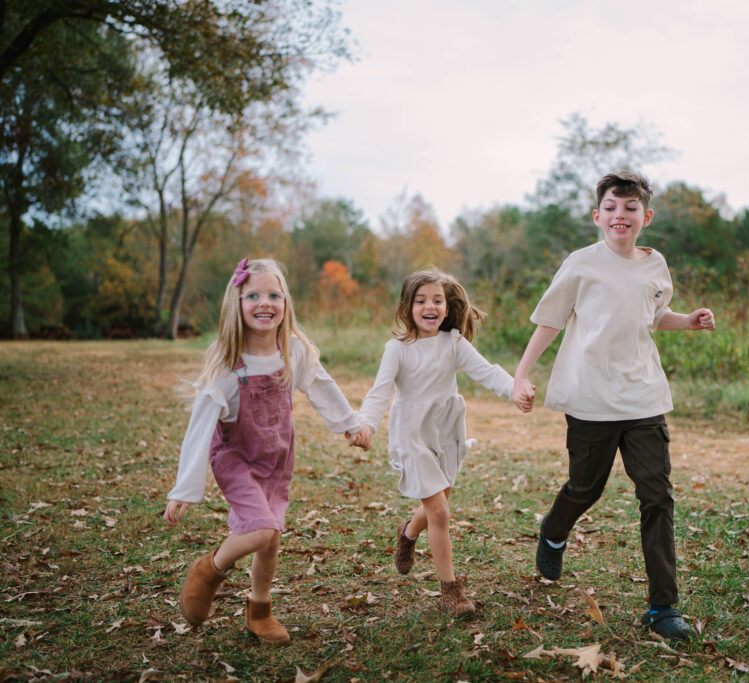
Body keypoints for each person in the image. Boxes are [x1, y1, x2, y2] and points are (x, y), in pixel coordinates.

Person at [512, 171, 716, 641]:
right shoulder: (581, 264)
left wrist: (687, 321)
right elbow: (549, 322)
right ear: (597, 215)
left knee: (657, 494)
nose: (619, 215)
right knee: (586, 488)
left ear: (645, 217)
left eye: (629, 208)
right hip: (590, 396)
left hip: (643, 395)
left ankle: (663, 607)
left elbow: (652, 314)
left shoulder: (655, 264)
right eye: (610, 207)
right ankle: (554, 529)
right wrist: (522, 375)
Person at [163, 258, 371, 645]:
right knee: (260, 530)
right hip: (235, 458)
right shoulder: (228, 363)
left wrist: (350, 422)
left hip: (277, 458)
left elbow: (320, 384)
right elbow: (200, 428)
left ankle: (259, 610)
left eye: (274, 294)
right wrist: (184, 488)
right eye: (253, 295)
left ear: (286, 302)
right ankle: (209, 570)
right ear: (236, 303)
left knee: (270, 537)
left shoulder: (292, 349)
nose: (265, 302)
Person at [358, 268, 530, 616]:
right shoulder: (398, 349)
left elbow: (487, 371)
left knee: (438, 501)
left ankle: (407, 533)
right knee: (440, 511)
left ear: (447, 308)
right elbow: (380, 392)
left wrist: (514, 388)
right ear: (407, 307)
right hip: (412, 433)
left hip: (446, 430)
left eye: (437, 300)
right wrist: (366, 425)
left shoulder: (453, 344)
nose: (430, 306)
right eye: (421, 300)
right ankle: (450, 589)